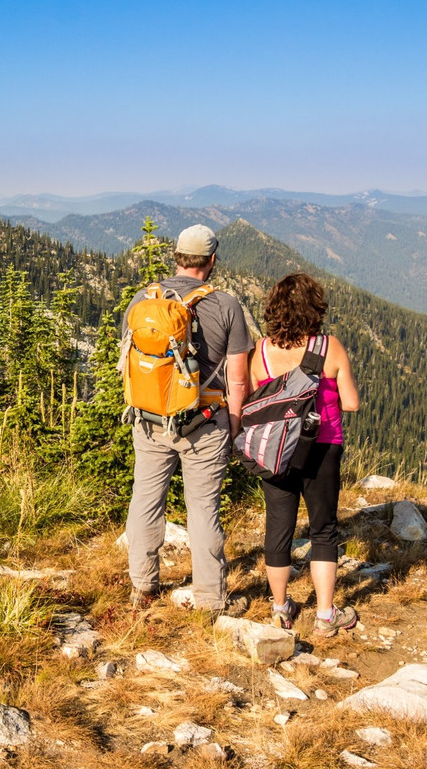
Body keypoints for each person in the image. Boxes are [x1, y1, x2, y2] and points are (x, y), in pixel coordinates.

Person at [124, 224, 253, 612]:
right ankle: (211, 599)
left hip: (149, 418)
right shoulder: (226, 305)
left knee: (145, 500)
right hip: (205, 421)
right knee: (202, 509)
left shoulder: (141, 300)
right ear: (212, 260)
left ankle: (142, 587)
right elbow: (239, 376)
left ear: (176, 257)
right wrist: (235, 420)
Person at [247, 272, 360, 636]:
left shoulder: (261, 351)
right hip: (322, 446)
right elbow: (353, 403)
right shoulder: (330, 348)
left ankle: (281, 610)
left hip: (274, 452)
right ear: (315, 308)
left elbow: (251, 402)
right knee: (323, 529)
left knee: (278, 530)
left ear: (274, 308)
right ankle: (326, 616)